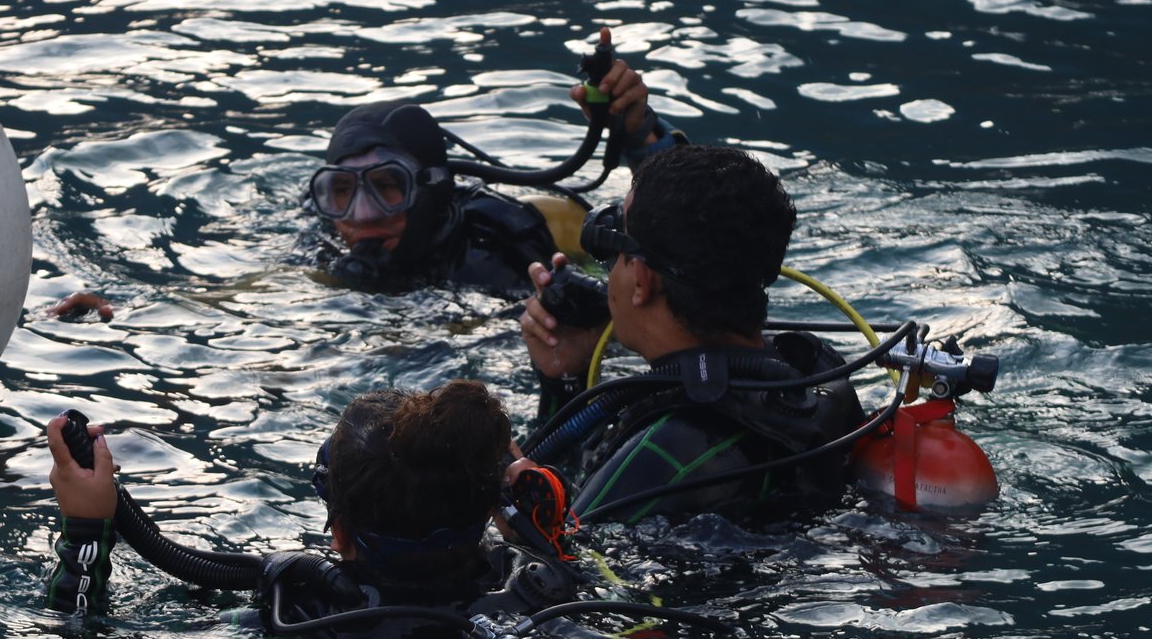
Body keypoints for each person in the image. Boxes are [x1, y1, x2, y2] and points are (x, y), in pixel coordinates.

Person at [43, 380, 590, 639]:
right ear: (493, 510)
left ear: (340, 535)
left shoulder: (292, 623)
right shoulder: (542, 589)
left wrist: (86, 529)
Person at [516, 144, 869, 526]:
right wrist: (564, 379)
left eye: (616, 247)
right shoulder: (815, 376)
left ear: (641, 280)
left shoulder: (665, 450)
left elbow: (552, 558)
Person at [306, 29, 686, 298]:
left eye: (388, 186)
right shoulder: (317, 239)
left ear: (429, 190)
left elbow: (684, 243)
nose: (362, 215)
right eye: (340, 191)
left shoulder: (498, 258)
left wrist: (640, 137)